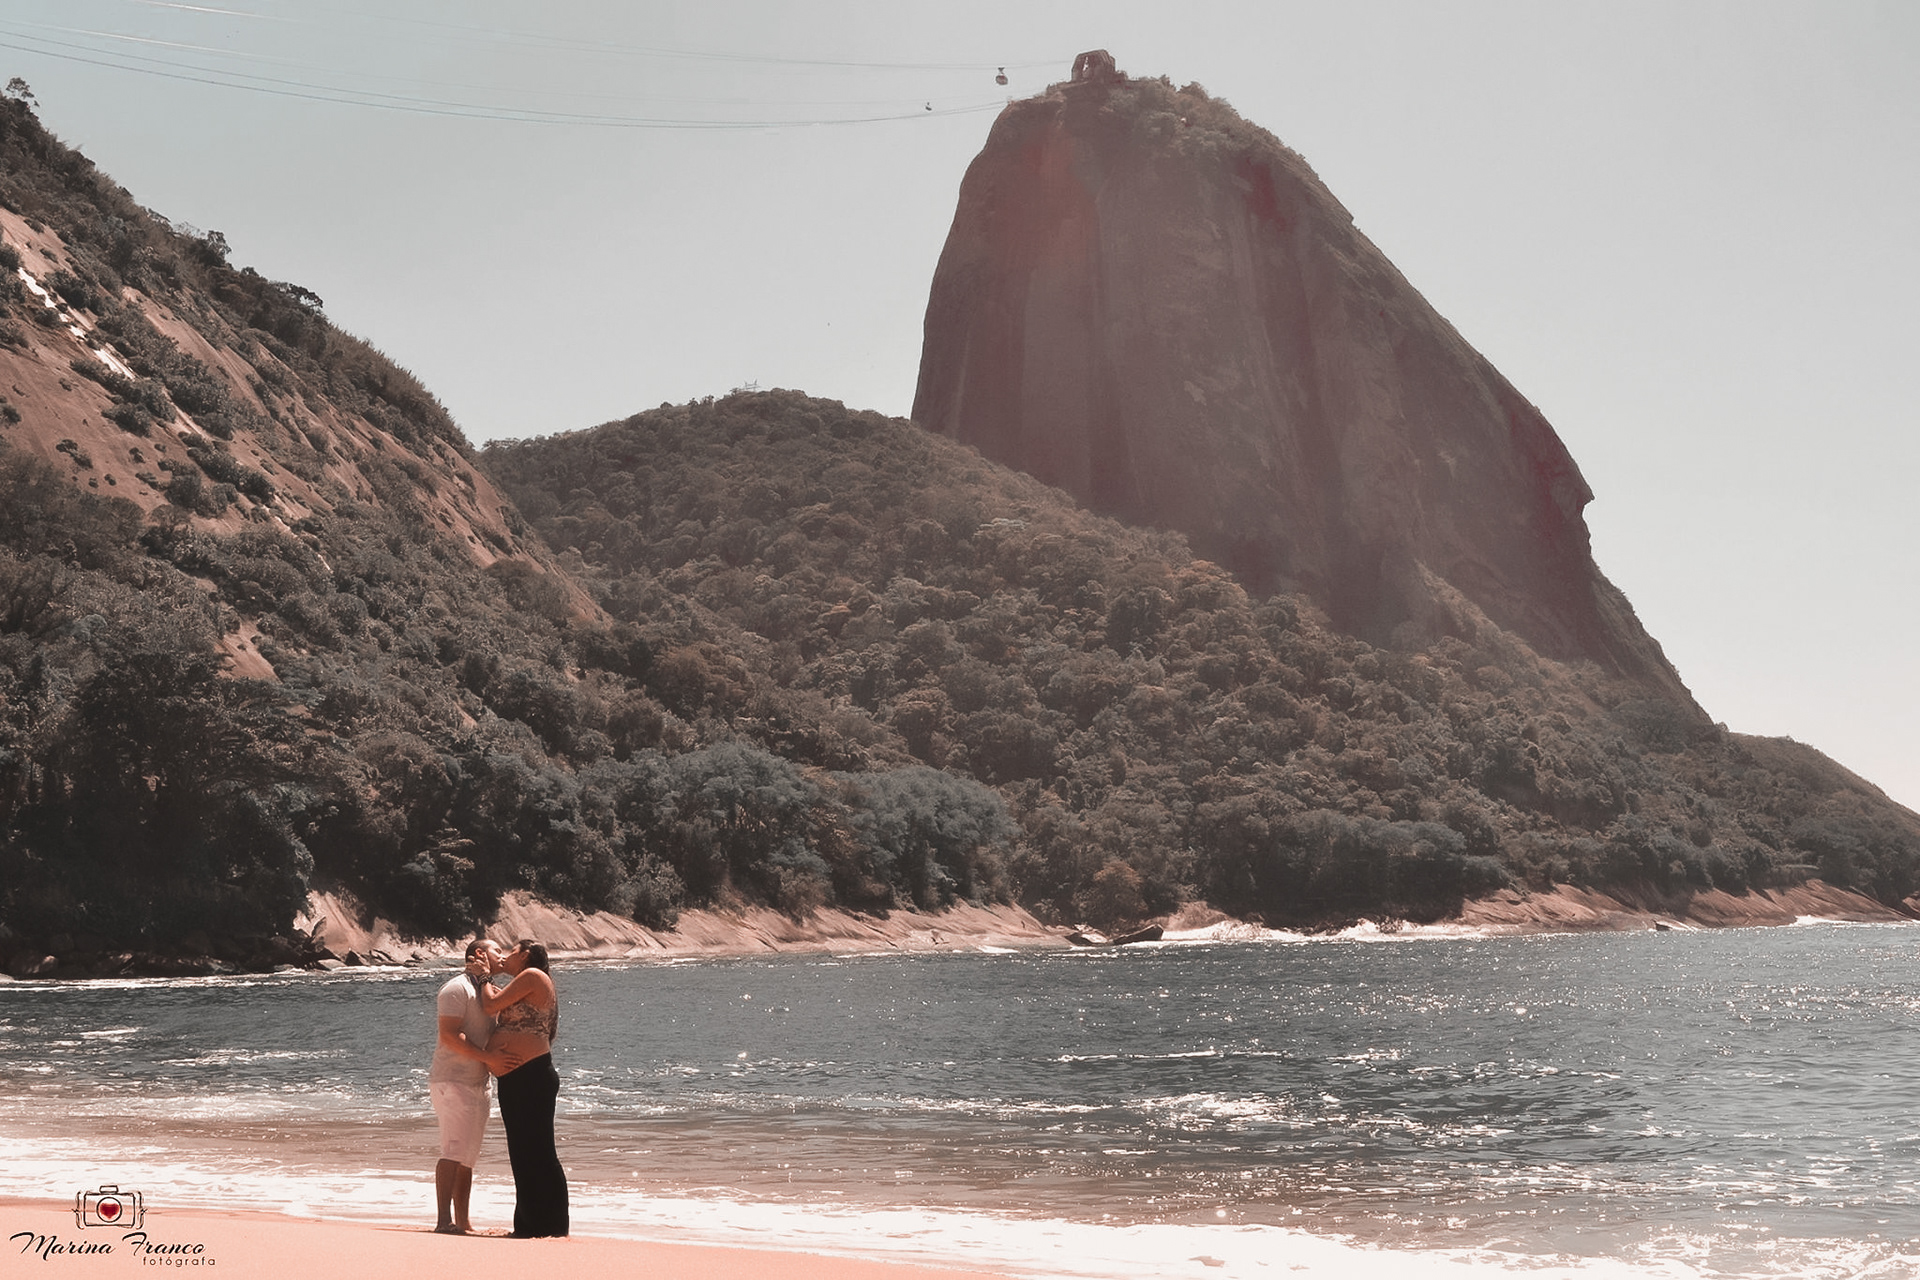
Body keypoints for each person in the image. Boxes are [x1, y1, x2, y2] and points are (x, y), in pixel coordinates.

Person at [471, 938, 569, 1238]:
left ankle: (550, 1224)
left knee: (538, 1151)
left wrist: (486, 974)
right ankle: (528, 1223)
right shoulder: (523, 985)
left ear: (524, 955)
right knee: (522, 1152)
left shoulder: (533, 976)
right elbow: (499, 1002)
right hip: (519, 1077)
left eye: (509, 952)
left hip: (532, 1076)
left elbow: (489, 1004)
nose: (504, 957)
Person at [430, 937, 505, 1234]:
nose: (503, 955)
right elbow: (449, 1035)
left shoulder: (487, 991)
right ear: (478, 954)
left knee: (469, 1155)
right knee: (453, 1149)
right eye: (497, 950)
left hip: (478, 1081)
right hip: (451, 1079)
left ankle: (463, 1221)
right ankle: (442, 1221)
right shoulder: (455, 988)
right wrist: (488, 1057)